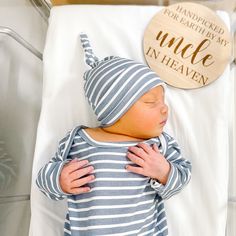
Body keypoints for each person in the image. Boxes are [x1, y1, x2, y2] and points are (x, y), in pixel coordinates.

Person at [36, 33, 192, 236]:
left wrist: (163, 172)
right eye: (151, 102)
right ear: (116, 109)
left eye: (163, 101)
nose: (165, 109)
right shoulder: (78, 140)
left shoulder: (158, 144)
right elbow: (44, 180)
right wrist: (59, 179)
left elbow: (182, 177)